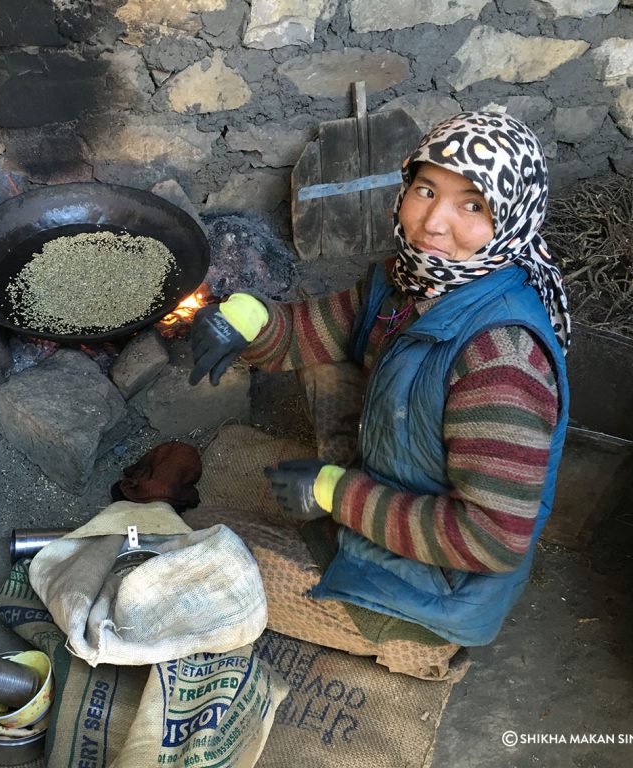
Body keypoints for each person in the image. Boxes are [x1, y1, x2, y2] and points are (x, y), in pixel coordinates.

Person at [188, 111, 570, 667]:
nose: (433, 223)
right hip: (398, 497)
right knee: (325, 363)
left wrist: (333, 492)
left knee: (209, 575)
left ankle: (422, 648)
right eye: (425, 189)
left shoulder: (501, 360)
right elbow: (305, 332)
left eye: (473, 205)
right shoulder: (407, 281)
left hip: (436, 588)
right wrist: (240, 317)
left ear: (511, 219)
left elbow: (491, 539)